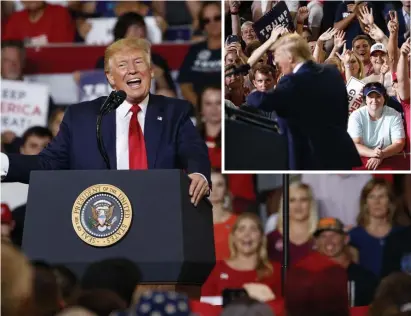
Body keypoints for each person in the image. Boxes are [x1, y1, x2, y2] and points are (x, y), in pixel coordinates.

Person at [0, 38, 211, 206]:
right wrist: (4, 164)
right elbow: (47, 163)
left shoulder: (174, 112)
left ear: (151, 71)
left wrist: (199, 173)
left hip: (159, 215)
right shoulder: (82, 117)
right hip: (101, 222)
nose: (132, 69)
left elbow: (194, 150)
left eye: (139, 62)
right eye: (122, 65)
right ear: (110, 77)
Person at [246, 27, 361, 170]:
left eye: (278, 59)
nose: (277, 64)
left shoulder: (291, 82)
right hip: (340, 153)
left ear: (290, 57)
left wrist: (252, 95)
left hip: (311, 159)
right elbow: (343, 110)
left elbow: (263, 101)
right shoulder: (332, 73)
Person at [201, 213, 282, 299]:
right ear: (233, 237)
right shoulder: (215, 269)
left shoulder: (275, 271)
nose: (247, 234)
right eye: (241, 229)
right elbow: (205, 306)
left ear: (261, 238)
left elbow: (281, 308)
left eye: (253, 229)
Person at [314, 217, 378, 306]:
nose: (328, 241)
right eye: (323, 236)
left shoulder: (365, 278)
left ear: (346, 239)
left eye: (334, 235)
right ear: (316, 243)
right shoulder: (308, 279)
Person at [348, 82, 406, 170]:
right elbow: (355, 144)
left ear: (384, 98)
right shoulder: (356, 116)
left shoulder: (394, 114)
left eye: (378, 96)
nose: (374, 100)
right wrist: (374, 154)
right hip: (362, 160)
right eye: (370, 97)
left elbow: (399, 143)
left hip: (389, 158)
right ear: (365, 99)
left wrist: (382, 154)